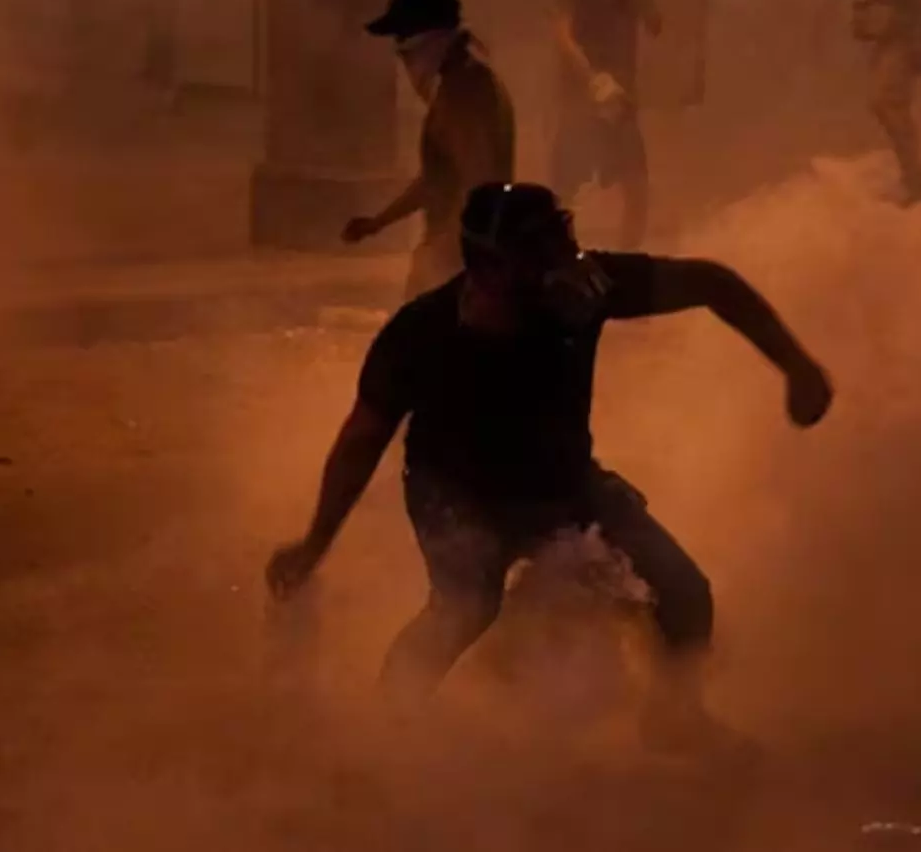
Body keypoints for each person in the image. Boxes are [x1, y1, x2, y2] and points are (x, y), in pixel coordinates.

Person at [266, 181, 833, 754]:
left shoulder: (585, 293)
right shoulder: (421, 334)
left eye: (565, 238)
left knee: (683, 590)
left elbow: (712, 283)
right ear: (489, 269)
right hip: (453, 495)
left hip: (562, 480)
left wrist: (797, 366)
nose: (565, 261)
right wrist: (314, 544)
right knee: (463, 607)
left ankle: (676, 718)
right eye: (540, 250)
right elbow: (362, 440)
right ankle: (386, 739)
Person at [344, 0, 516, 300]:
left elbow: (478, 187)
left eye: (405, 51)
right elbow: (438, 179)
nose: (406, 65)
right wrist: (379, 222)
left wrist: (442, 258)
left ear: (429, 42)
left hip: (458, 265)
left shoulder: (463, 93)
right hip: (461, 259)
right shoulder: (465, 81)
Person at [550, 0, 662, 250]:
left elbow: (654, 24)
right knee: (564, 194)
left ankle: (624, 262)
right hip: (581, 100)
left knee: (637, 191)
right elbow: (563, 35)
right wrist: (593, 79)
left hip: (620, 102)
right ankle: (558, 263)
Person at [829, 0, 921, 205]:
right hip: (891, 35)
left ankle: (916, 177)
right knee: (886, 104)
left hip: (904, 36)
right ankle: (913, 175)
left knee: (886, 103)